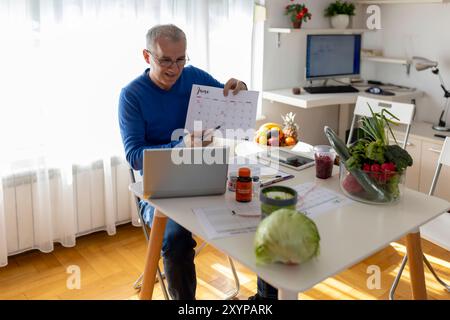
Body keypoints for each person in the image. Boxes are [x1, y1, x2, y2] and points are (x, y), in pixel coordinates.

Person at [118, 24, 275, 300]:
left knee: (263, 213)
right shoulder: (132, 95)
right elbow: (134, 157)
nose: (174, 68)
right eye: (165, 59)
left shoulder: (193, 77)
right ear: (146, 56)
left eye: (180, 59)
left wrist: (241, 87)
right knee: (175, 239)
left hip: (208, 174)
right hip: (160, 187)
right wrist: (181, 144)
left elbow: (232, 99)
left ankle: (266, 299)